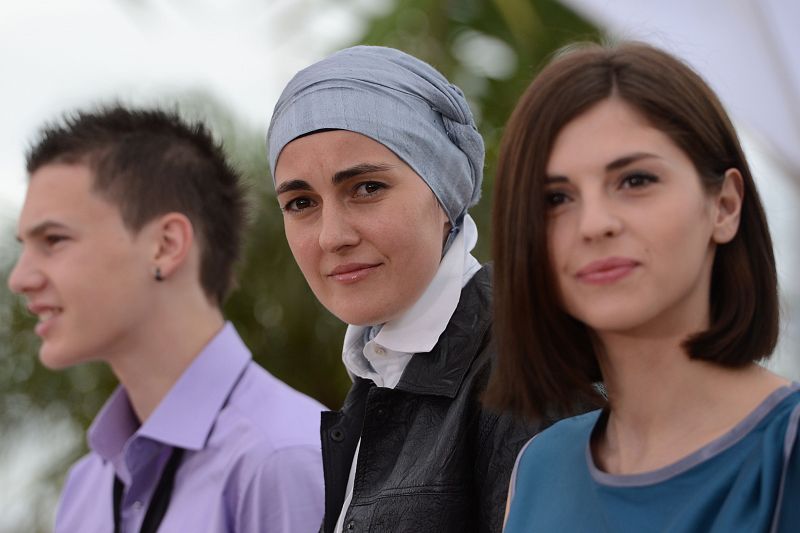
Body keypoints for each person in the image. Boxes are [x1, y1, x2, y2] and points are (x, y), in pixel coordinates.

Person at [486, 41, 799, 532]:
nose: (593, 224)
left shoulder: (787, 449)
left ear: (724, 206)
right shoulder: (538, 468)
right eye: (556, 198)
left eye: (634, 180)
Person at [9, 105, 325, 532]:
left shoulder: (283, 458)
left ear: (165, 245)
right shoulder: (87, 486)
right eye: (24, 246)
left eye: (53, 240)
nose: (20, 278)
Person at [266, 46, 540, 532]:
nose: (332, 236)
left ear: (444, 194)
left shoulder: (526, 364)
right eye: (301, 201)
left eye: (367, 188)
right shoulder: (379, 374)